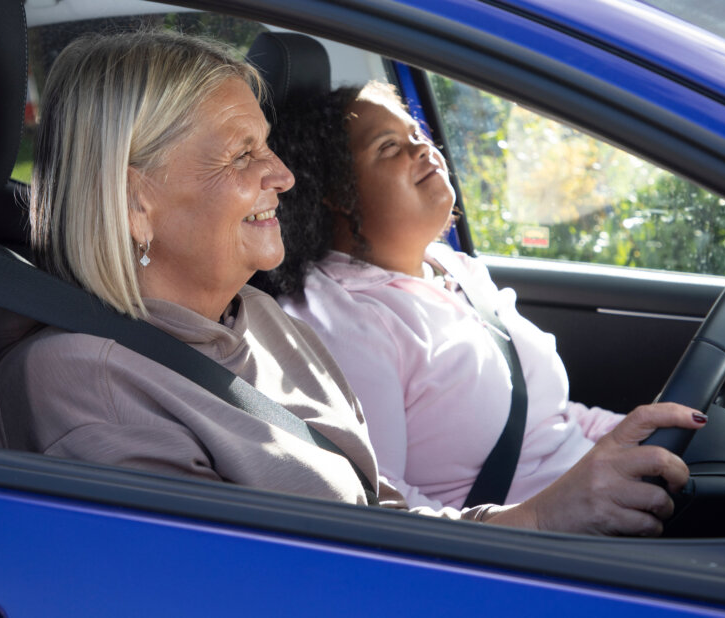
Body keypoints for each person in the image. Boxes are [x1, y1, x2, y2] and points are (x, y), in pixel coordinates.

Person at [0, 30, 706, 537]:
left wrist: (547, 518)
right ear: (136, 201)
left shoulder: (260, 319)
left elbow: (372, 519)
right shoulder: (85, 389)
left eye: (269, 146)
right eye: (242, 156)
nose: (284, 176)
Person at [260, 81, 631, 510]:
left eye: (417, 135)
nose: (422, 149)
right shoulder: (339, 320)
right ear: (336, 193)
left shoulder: (452, 268)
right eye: (389, 147)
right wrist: (544, 521)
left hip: (607, 509)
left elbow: (551, 421)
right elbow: (376, 503)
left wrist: (638, 436)